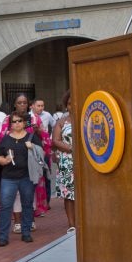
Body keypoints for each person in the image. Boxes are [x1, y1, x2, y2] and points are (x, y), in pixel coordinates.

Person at [0, 110, 41, 246]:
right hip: (8, 177)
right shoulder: (6, 139)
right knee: (5, 207)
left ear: (24, 122)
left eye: (19, 121)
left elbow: (42, 153)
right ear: (10, 124)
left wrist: (32, 146)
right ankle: (3, 236)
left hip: (27, 176)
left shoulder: (32, 137)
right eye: (14, 121)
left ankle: (26, 233)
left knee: (27, 205)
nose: (17, 123)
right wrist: (3, 160)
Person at [51, 90, 76, 232]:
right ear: (66, 106)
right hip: (67, 162)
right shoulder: (61, 122)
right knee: (69, 194)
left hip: (84, 163)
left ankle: (83, 223)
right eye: (70, 104)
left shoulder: (87, 118)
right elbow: (55, 141)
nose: (73, 106)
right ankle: (72, 225)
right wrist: (72, 149)